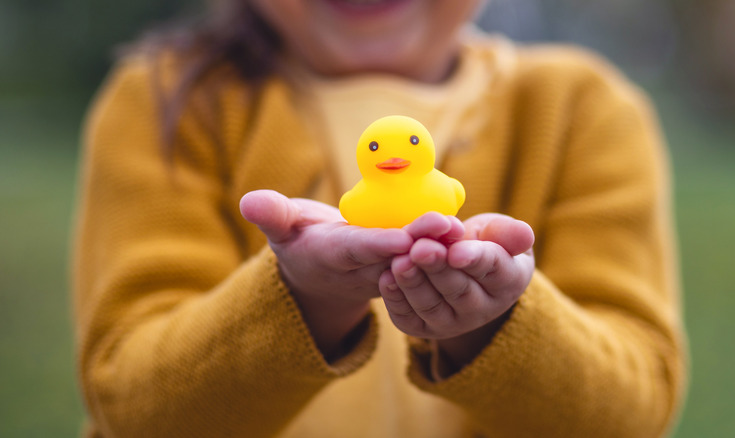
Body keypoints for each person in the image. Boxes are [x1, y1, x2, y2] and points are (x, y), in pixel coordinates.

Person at [72, 1, 688, 437]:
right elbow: (134, 409)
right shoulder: (167, 103)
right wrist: (304, 299)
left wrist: (491, 324)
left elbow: (630, 415)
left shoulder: (583, 111)